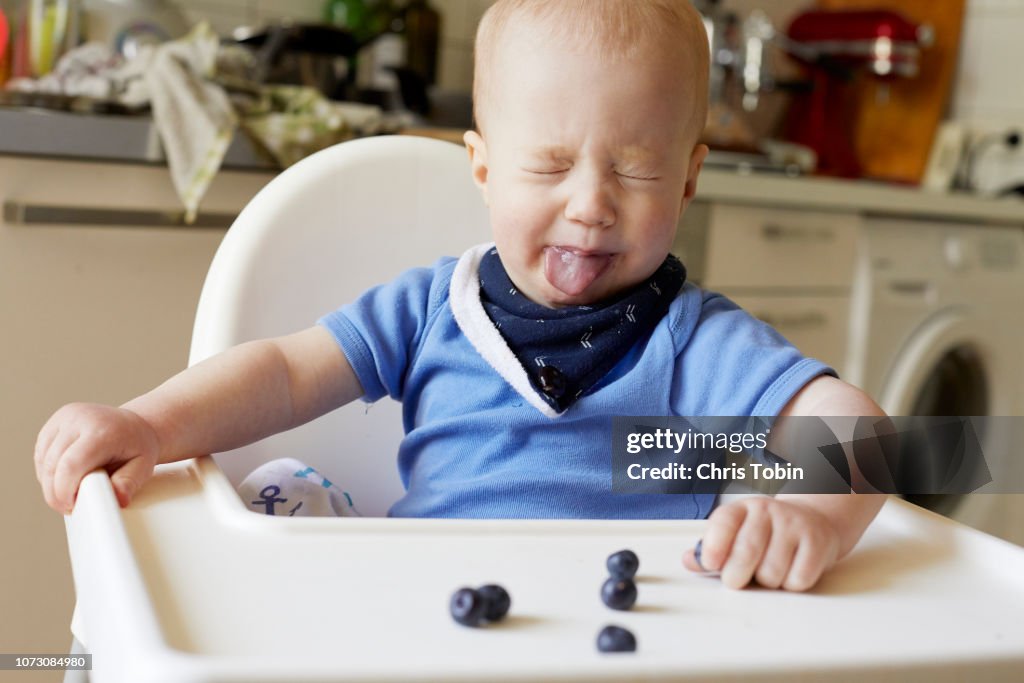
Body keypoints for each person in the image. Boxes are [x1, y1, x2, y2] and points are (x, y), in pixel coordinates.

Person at [34, 0, 886, 592]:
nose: (590, 203)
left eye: (636, 168)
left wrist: (811, 515)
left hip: (626, 637)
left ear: (691, 179)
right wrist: (148, 423)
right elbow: (285, 373)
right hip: (425, 618)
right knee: (276, 490)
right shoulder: (433, 310)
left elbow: (873, 436)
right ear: (481, 166)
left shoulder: (695, 343)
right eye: (549, 166)